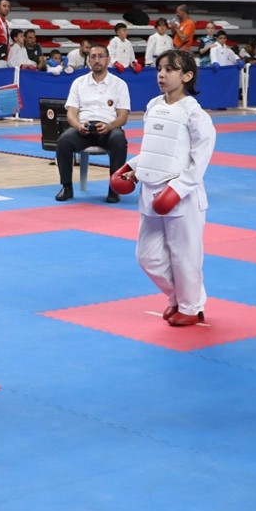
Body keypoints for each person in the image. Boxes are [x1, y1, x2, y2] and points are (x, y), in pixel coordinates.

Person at [110, 49, 217, 326]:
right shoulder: (153, 105)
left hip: (183, 197)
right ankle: (178, 298)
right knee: (147, 256)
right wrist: (132, 169)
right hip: (151, 192)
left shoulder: (196, 114)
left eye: (170, 69)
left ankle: (191, 307)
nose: (162, 74)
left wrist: (178, 189)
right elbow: (155, 149)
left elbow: (200, 159)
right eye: (160, 68)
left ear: (187, 75)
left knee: (185, 257)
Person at [54, 45, 130, 204]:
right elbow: (71, 113)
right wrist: (78, 125)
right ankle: (66, 187)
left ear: (108, 60)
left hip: (108, 128)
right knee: (63, 141)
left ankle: (114, 189)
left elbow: (123, 116)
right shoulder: (78, 83)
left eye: (101, 56)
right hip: (84, 129)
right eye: (93, 57)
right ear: (88, 61)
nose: (97, 60)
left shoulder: (119, 84)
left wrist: (109, 126)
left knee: (119, 140)